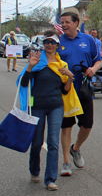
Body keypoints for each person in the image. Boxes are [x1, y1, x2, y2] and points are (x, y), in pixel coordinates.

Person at [20, 30, 75, 191]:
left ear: (58, 45)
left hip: (56, 106)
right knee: (37, 142)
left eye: (53, 42)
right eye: (47, 42)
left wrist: (70, 77)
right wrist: (30, 66)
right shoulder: (37, 61)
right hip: (37, 105)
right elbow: (24, 83)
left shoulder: (62, 65)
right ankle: (34, 170)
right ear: (43, 44)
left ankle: (50, 179)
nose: (49, 45)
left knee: (53, 142)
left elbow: (65, 91)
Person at [57, 11, 102, 177]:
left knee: (88, 125)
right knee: (66, 126)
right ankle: (66, 162)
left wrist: (93, 69)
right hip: (66, 91)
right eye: (62, 22)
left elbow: (98, 60)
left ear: (76, 23)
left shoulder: (88, 40)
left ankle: (75, 149)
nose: (64, 25)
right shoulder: (59, 41)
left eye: (67, 22)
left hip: (84, 88)